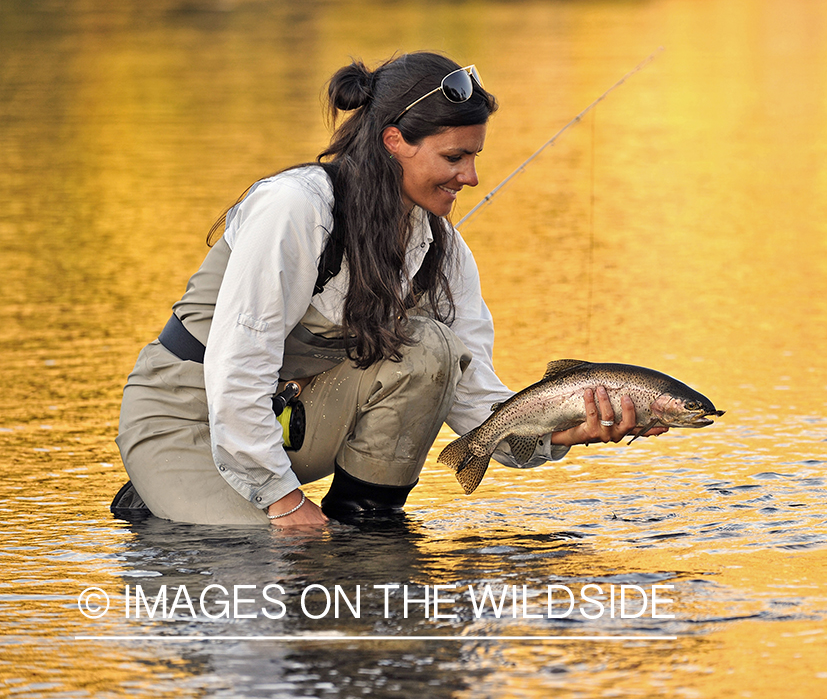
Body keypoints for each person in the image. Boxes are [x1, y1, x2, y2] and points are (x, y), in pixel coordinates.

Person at [112, 52, 659, 527]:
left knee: (431, 352)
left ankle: (366, 522)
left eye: (474, 158)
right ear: (393, 141)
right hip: (189, 417)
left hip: (286, 419)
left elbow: (472, 398)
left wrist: (559, 429)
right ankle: (165, 491)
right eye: (453, 158)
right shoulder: (295, 208)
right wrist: (282, 503)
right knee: (275, 553)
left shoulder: (439, 245)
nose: (471, 178)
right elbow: (237, 369)